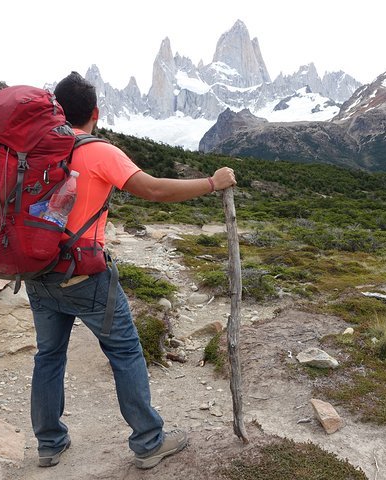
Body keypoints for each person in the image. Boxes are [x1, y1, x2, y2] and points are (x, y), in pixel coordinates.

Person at [25, 71, 236, 470]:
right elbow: (154, 190)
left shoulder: (37, 148)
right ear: (96, 113)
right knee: (125, 352)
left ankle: (49, 443)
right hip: (85, 274)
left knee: (48, 356)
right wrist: (212, 181)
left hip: (37, 269)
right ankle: (148, 441)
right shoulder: (99, 150)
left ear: (57, 111)